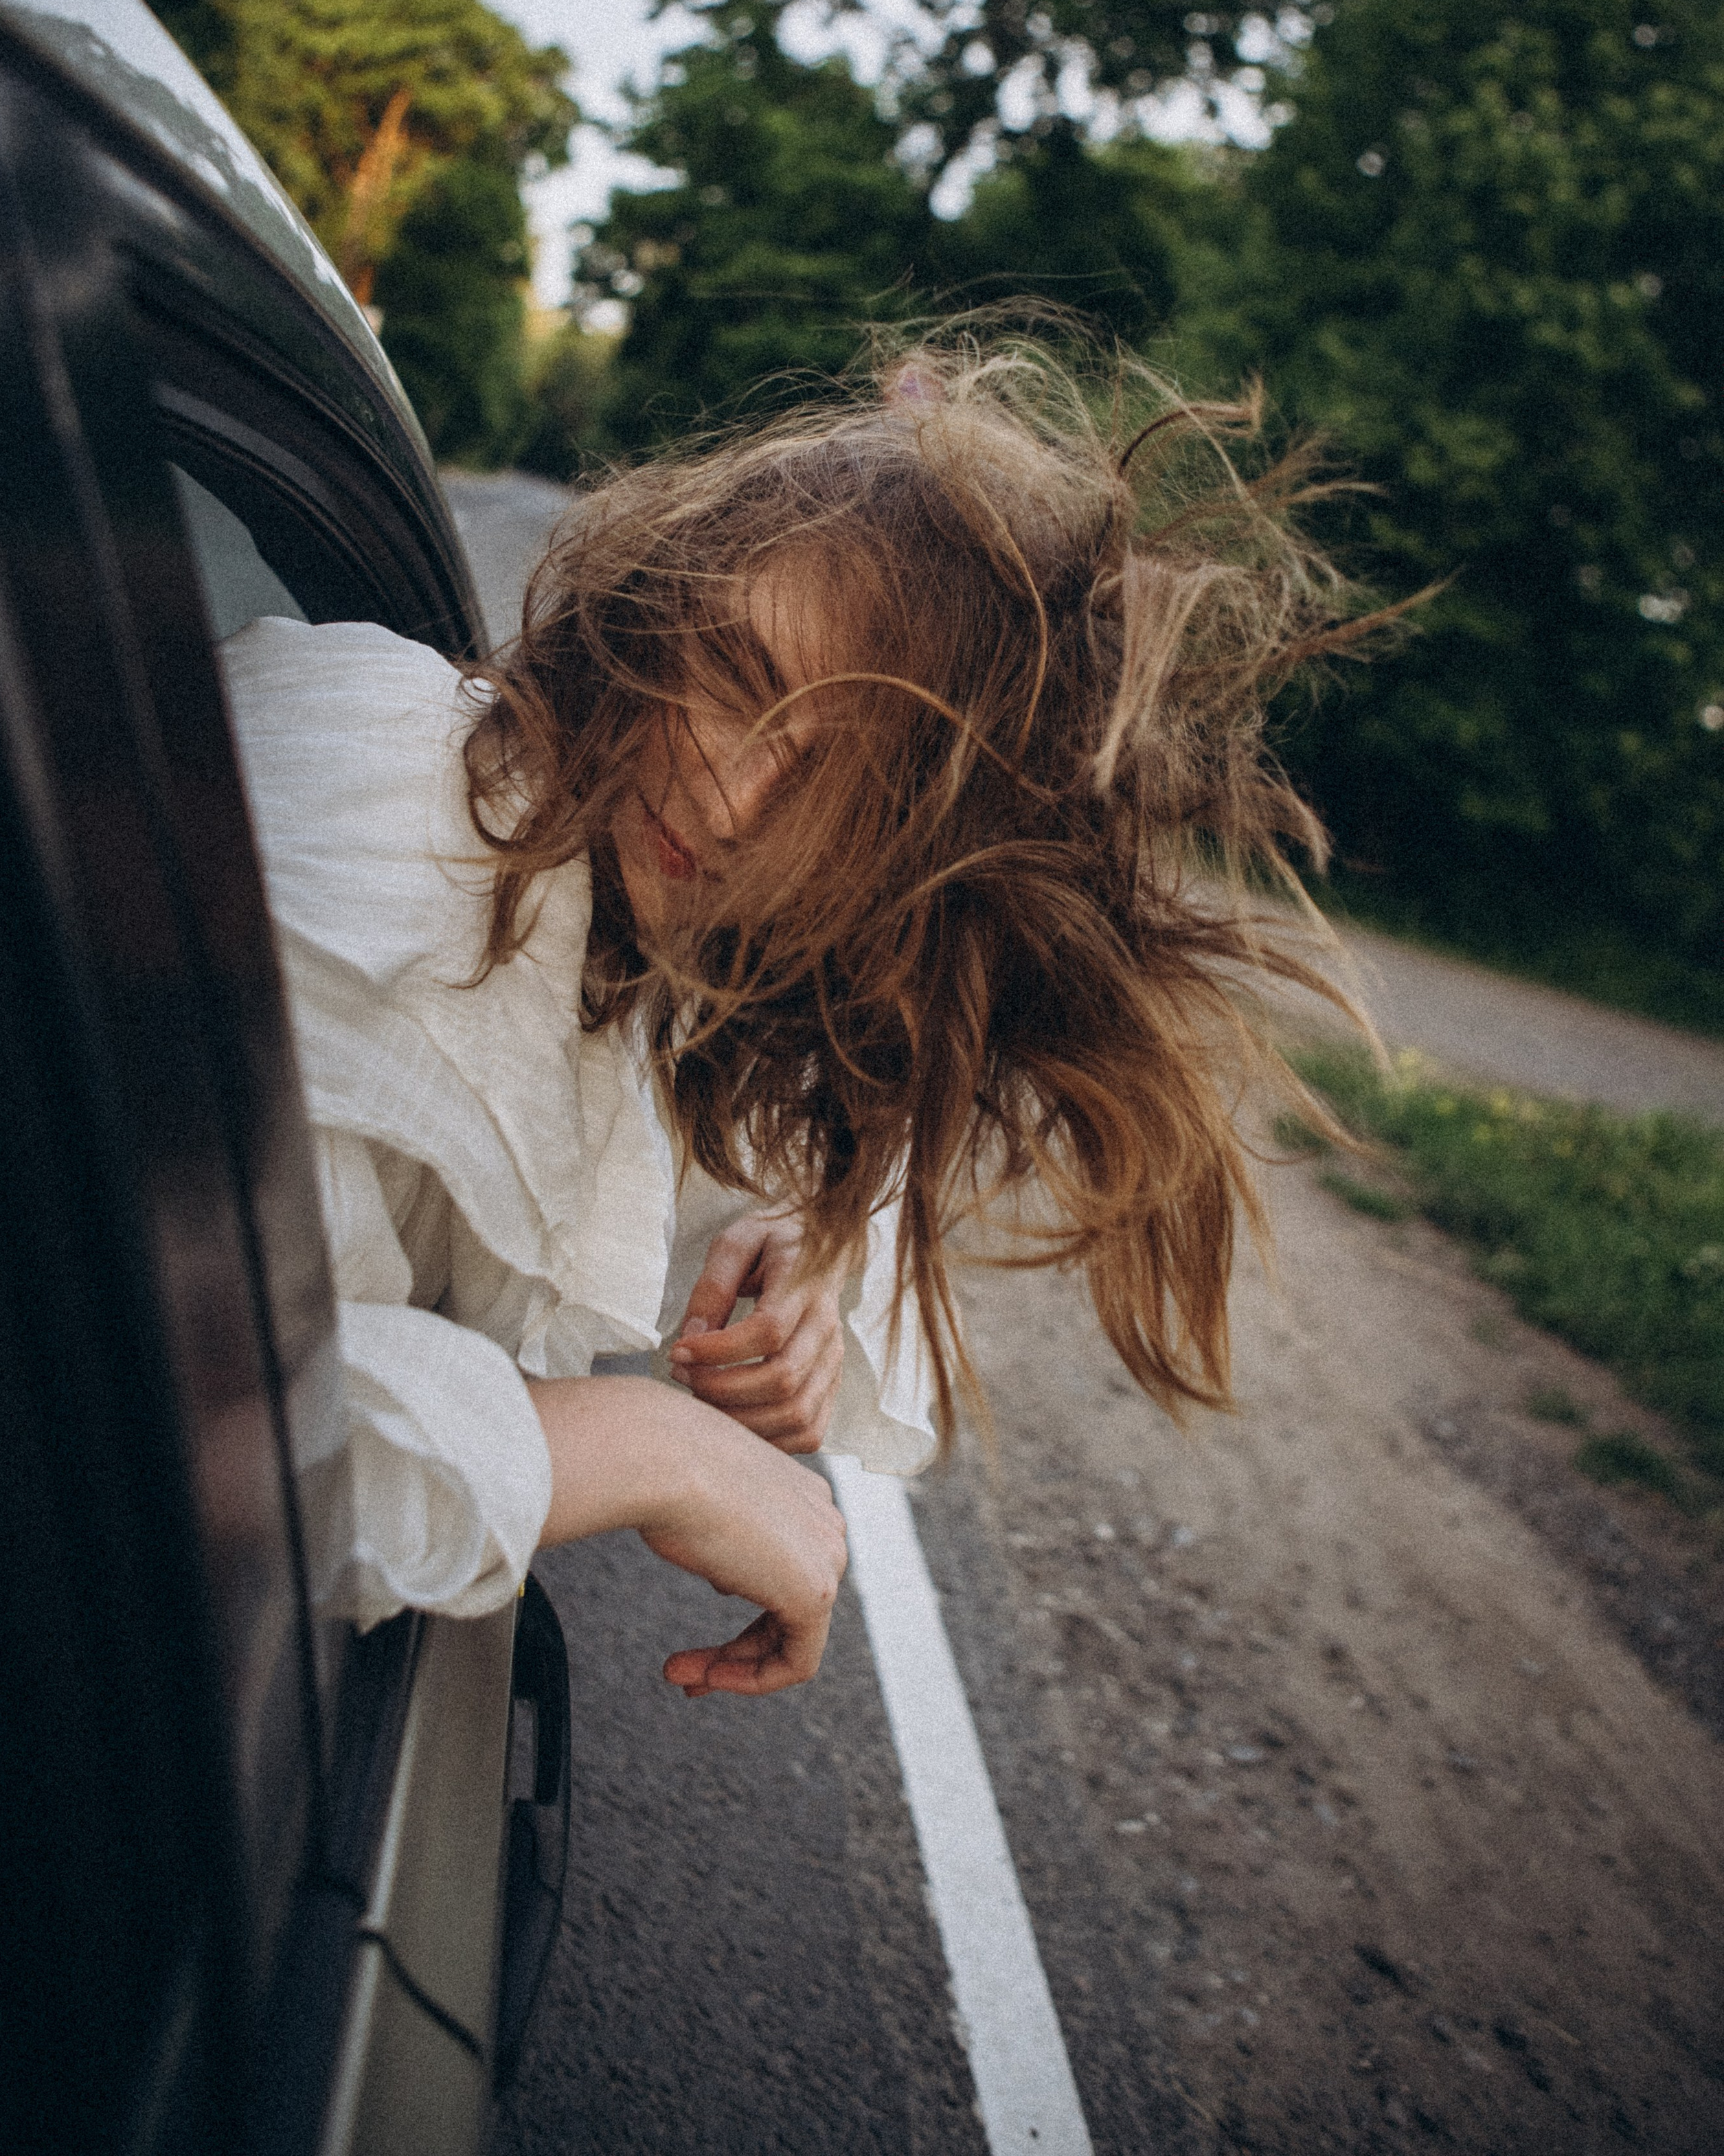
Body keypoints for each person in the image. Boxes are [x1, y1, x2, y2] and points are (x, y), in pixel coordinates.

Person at [225, 330, 1364, 1699]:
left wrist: (794, 1242)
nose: (733, 804)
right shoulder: (393, 833)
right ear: (667, 597)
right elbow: (190, 1452)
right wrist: (659, 1450)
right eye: (741, 679)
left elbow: (609, 1107)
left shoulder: (599, 882)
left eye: (844, 796)